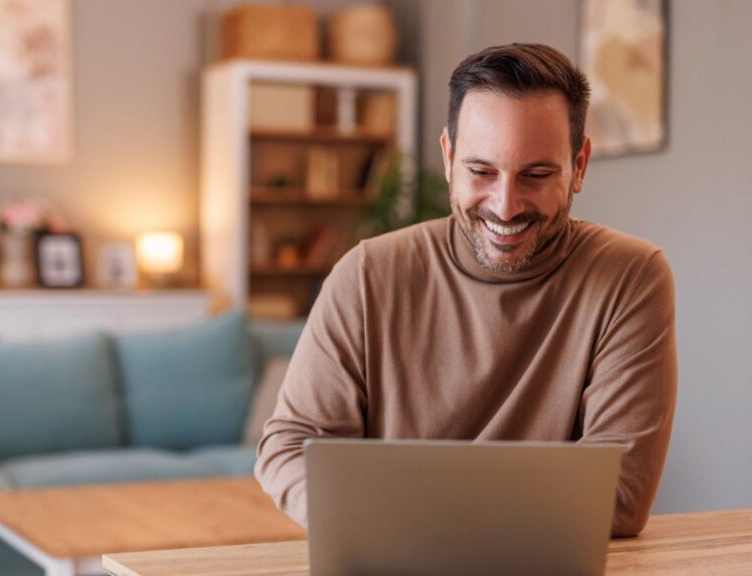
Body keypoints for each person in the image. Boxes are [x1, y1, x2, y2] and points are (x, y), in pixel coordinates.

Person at [255, 43, 677, 538]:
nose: (505, 205)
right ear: (448, 157)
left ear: (579, 165)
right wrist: (386, 528)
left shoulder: (630, 277)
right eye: (481, 171)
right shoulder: (367, 274)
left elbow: (620, 495)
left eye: (536, 175)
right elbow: (290, 446)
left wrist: (401, 513)